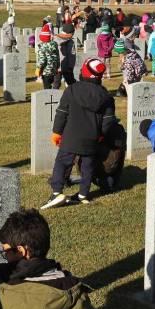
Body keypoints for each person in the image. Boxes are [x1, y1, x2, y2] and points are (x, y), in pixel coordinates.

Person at [42, 58, 115, 208]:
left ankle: (56, 192)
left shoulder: (72, 89)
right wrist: (101, 134)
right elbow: (108, 121)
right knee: (87, 166)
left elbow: (61, 113)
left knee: (62, 163)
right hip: (92, 137)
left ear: (83, 72)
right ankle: (83, 194)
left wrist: (57, 132)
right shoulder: (106, 96)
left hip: (70, 136)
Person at [57, 24, 77, 88]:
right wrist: (71, 67)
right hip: (67, 67)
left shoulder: (55, 39)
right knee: (71, 85)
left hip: (57, 67)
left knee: (56, 84)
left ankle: (53, 96)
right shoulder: (71, 42)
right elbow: (72, 55)